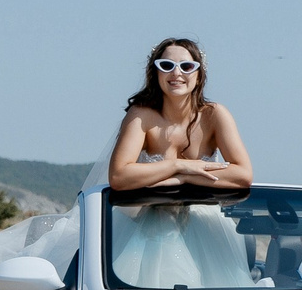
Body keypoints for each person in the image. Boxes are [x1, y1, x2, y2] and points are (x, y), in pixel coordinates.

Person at [108, 38, 253, 192]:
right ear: (156, 74)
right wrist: (178, 165)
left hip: (204, 212)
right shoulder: (141, 116)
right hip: (150, 213)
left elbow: (243, 175)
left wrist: (184, 177)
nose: (176, 73)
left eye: (187, 66)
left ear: (198, 77)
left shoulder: (215, 115)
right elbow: (118, 177)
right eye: (166, 65)